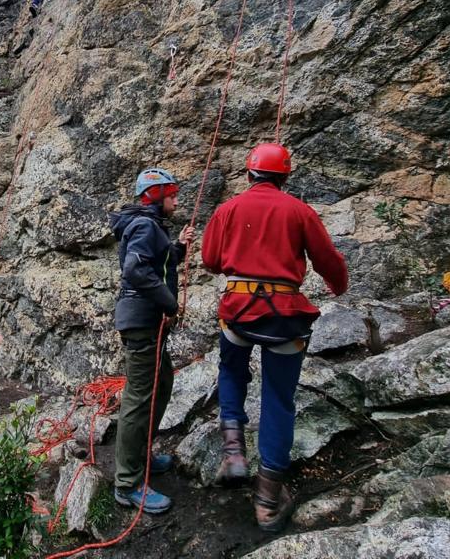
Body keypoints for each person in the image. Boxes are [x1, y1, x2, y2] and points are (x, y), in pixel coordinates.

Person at [201, 143, 348, 533]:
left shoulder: (228, 209)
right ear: (285, 176)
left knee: (232, 371)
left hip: (239, 310)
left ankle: (234, 454)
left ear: (249, 174)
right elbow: (327, 258)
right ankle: (267, 500)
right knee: (279, 399)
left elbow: (212, 260)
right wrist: (338, 285)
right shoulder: (299, 211)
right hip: (283, 314)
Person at [109, 167, 195, 514]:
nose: (176, 197)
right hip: (143, 323)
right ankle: (128, 484)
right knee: (139, 397)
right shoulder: (146, 225)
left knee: (161, 385)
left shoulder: (150, 226)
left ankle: (141, 457)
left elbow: (155, 264)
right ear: (155, 195)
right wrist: (170, 303)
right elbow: (135, 270)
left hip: (145, 322)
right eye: (171, 191)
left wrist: (179, 249)